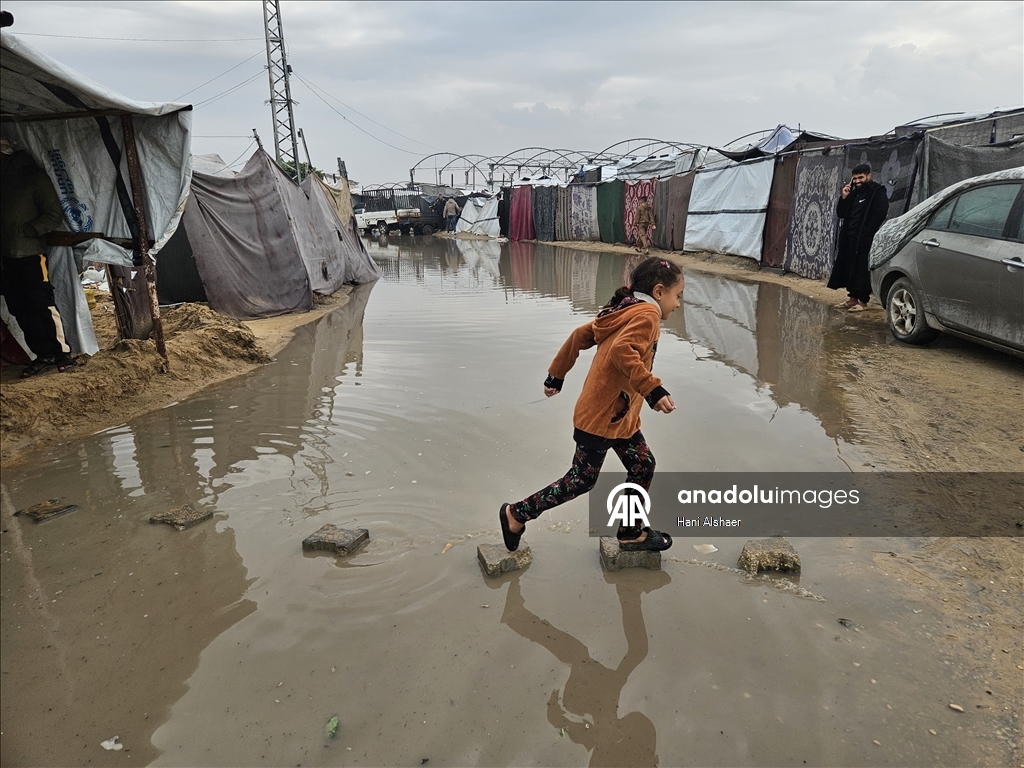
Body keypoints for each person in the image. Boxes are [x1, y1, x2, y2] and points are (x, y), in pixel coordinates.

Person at [499, 257, 683, 553]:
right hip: (603, 417)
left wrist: (555, 376)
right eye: (678, 296)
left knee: (642, 464)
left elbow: (581, 335)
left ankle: (630, 532)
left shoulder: (624, 309)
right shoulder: (648, 313)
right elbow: (624, 351)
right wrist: (653, 389)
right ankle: (516, 514)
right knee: (580, 480)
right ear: (659, 291)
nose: (677, 304)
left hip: (619, 417)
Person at [0, 137, 76, 377]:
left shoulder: (33, 177)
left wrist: (29, 231)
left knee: (42, 303)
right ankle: (42, 354)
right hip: (6, 256)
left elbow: (54, 214)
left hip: (31, 254)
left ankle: (62, 354)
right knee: (18, 307)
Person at [827, 163, 888, 311]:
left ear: (869, 176)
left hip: (865, 239)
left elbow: (880, 214)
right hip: (849, 238)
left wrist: (867, 233)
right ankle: (852, 299)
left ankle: (863, 302)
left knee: (861, 270)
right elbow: (841, 214)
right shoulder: (854, 193)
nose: (857, 181)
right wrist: (844, 197)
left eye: (861, 177)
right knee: (850, 268)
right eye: (855, 178)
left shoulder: (877, 191)